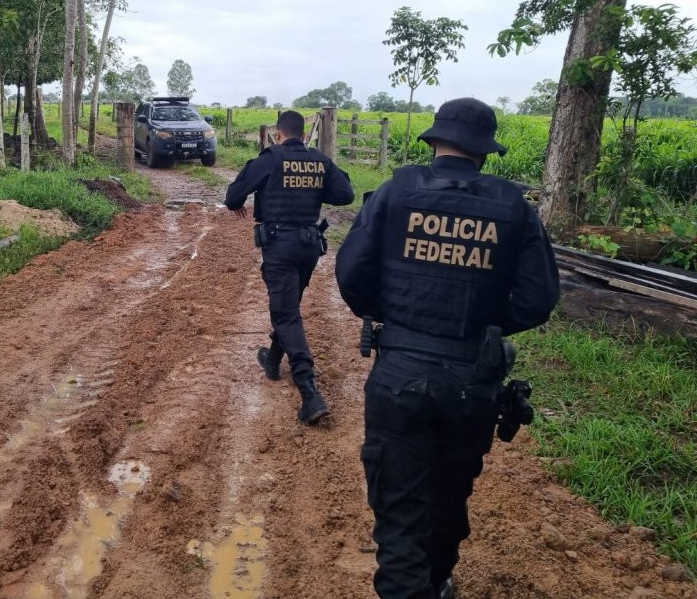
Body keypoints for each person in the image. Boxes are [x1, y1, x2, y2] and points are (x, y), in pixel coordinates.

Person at [335, 98, 559, 599]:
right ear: (484, 153)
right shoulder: (513, 208)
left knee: (400, 512)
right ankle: (437, 582)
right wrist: (481, 325)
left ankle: (415, 584)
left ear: (435, 141)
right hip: (471, 379)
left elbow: (352, 275)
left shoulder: (396, 193)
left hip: (399, 373)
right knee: (451, 494)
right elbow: (538, 300)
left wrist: (394, 317)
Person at [224, 110, 355, 424]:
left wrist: (242, 202)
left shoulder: (270, 158)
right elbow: (345, 194)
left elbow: (232, 197)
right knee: (289, 307)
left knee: (286, 313)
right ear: (303, 133)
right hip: (310, 245)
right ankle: (272, 360)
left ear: (277, 133)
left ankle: (310, 392)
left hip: (280, 247)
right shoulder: (319, 159)